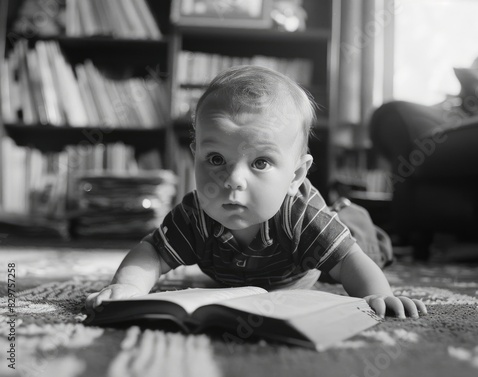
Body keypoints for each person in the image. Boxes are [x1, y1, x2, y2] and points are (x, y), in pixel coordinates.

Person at [86, 66, 426, 319]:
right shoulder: (194, 215)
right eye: (216, 159)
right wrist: (129, 287)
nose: (233, 180)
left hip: (311, 262)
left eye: (260, 162)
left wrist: (378, 296)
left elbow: (350, 261)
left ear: (296, 175)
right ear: (195, 156)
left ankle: (353, 214)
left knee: (360, 245)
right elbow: (152, 253)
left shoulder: (302, 216)